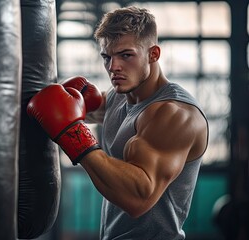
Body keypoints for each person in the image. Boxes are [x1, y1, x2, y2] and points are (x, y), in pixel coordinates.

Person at [27, 5, 209, 240]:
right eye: (107, 57)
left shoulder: (174, 114)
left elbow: (139, 198)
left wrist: (75, 137)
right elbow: (88, 111)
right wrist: (73, 99)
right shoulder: (118, 97)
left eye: (126, 55)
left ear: (153, 54)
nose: (113, 68)